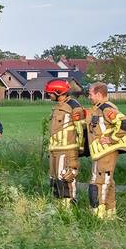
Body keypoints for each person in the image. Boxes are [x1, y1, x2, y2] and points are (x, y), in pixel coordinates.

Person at [85, 82, 126, 219]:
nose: (89, 97)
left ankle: (99, 216)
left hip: (107, 151)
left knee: (98, 182)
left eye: (90, 94)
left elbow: (124, 122)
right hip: (100, 152)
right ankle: (110, 215)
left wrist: (112, 139)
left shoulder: (106, 108)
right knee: (107, 182)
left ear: (99, 94)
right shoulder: (98, 108)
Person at [44, 79, 84, 207]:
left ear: (58, 92)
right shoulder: (57, 106)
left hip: (67, 150)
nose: (49, 95)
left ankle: (69, 210)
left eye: (50, 93)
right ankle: (59, 209)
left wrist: (79, 149)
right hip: (55, 150)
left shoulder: (74, 106)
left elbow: (81, 129)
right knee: (55, 181)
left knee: (66, 179)